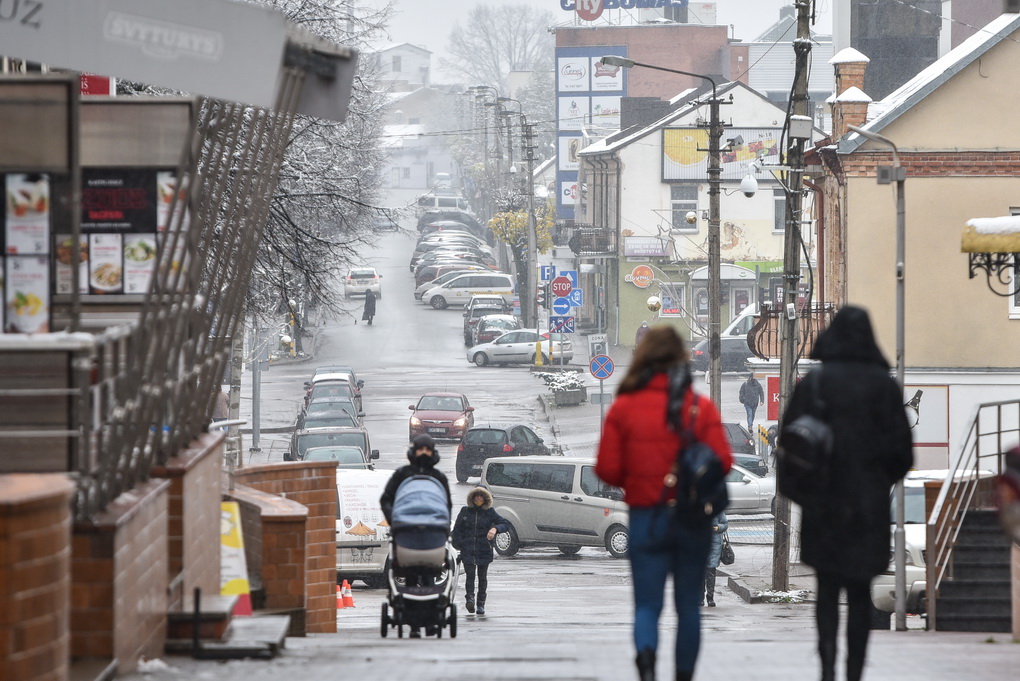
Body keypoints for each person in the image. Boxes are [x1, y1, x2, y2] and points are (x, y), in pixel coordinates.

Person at [779, 305, 912, 681]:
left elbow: (790, 446)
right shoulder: (884, 387)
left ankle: (826, 668)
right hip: (867, 509)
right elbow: (903, 454)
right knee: (859, 594)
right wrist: (874, 481)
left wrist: (804, 493)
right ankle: (854, 672)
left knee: (826, 591)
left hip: (823, 507)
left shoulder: (816, 384)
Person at [596, 326, 732, 681]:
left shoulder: (624, 407)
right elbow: (724, 462)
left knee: (647, 606)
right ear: (681, 359)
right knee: (688, 606)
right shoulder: (698, 408)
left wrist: (638, 479)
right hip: (691, 520)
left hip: (646, 518)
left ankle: (646, 665)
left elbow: (606, 468)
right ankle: (684, 674)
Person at [379, 434, 453, 639]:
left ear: (432, 451)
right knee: (410, 578)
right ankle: (411, 623)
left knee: (430, 578)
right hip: (406, 533)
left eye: (427, 449)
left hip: (431, 535)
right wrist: (394, 519)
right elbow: (386, 499)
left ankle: (430, 622)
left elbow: (446, 505)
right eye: (420, 449)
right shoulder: (402, 475)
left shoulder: (438, 477)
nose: (423, 453)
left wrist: (444, 526)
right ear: (414, 450)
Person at [451, 487, 509, 616]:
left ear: (485, 498)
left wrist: (495, 529)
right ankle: (469, 599)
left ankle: (481, 603)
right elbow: (457, 530)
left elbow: (505, 524)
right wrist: (459, 545)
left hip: (484, 549)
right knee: (470, 576)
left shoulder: (490, 512)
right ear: (472, 497)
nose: (478, 498)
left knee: (482, 577)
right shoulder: (465, 511)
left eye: (481, 496)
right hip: (468, 549)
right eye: (476, 496)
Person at [702, 512, 728, 607]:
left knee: (711, 570)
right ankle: (700, 598)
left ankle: (710, 597)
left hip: (714, 544)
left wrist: (717, 527)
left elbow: (725, 524)